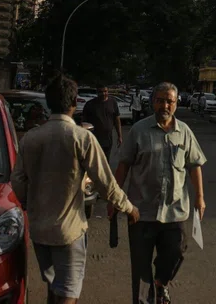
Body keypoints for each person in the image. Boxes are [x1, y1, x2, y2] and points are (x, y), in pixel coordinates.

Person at [12, 75, 139, 304]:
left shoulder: (31, 138)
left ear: (49, 104)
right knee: (68, 293)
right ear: (74, 103)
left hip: (39, 230)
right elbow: (106, 183)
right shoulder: (81, 138)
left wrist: (30, 203)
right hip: (68, 232)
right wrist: (129, 208)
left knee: (52, 287)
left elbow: (18, 182)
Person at [113, 82, 207, 304]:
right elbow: (123, 165)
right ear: (153, 102)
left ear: (176, 104)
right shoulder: (139, 130)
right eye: (160, 100)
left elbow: (194, 165)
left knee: (177, 252)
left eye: (170, 101)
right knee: (141, 266)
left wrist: (200, 198)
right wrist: (114, 199)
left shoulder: (184, 131)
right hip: (141, 211)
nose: (165, 105)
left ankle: (161, 283)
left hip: (175, 210)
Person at [82, 86, 123, 159]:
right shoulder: (90, 104)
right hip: (94, 138)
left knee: (106, 159)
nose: (103, 93)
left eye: (105, 91)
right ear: (97, 93)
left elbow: (117, 120)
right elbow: (84, 123)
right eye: (101, 92)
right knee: (95, 159)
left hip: (108, 138)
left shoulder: (112, 102)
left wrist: (119, 136)